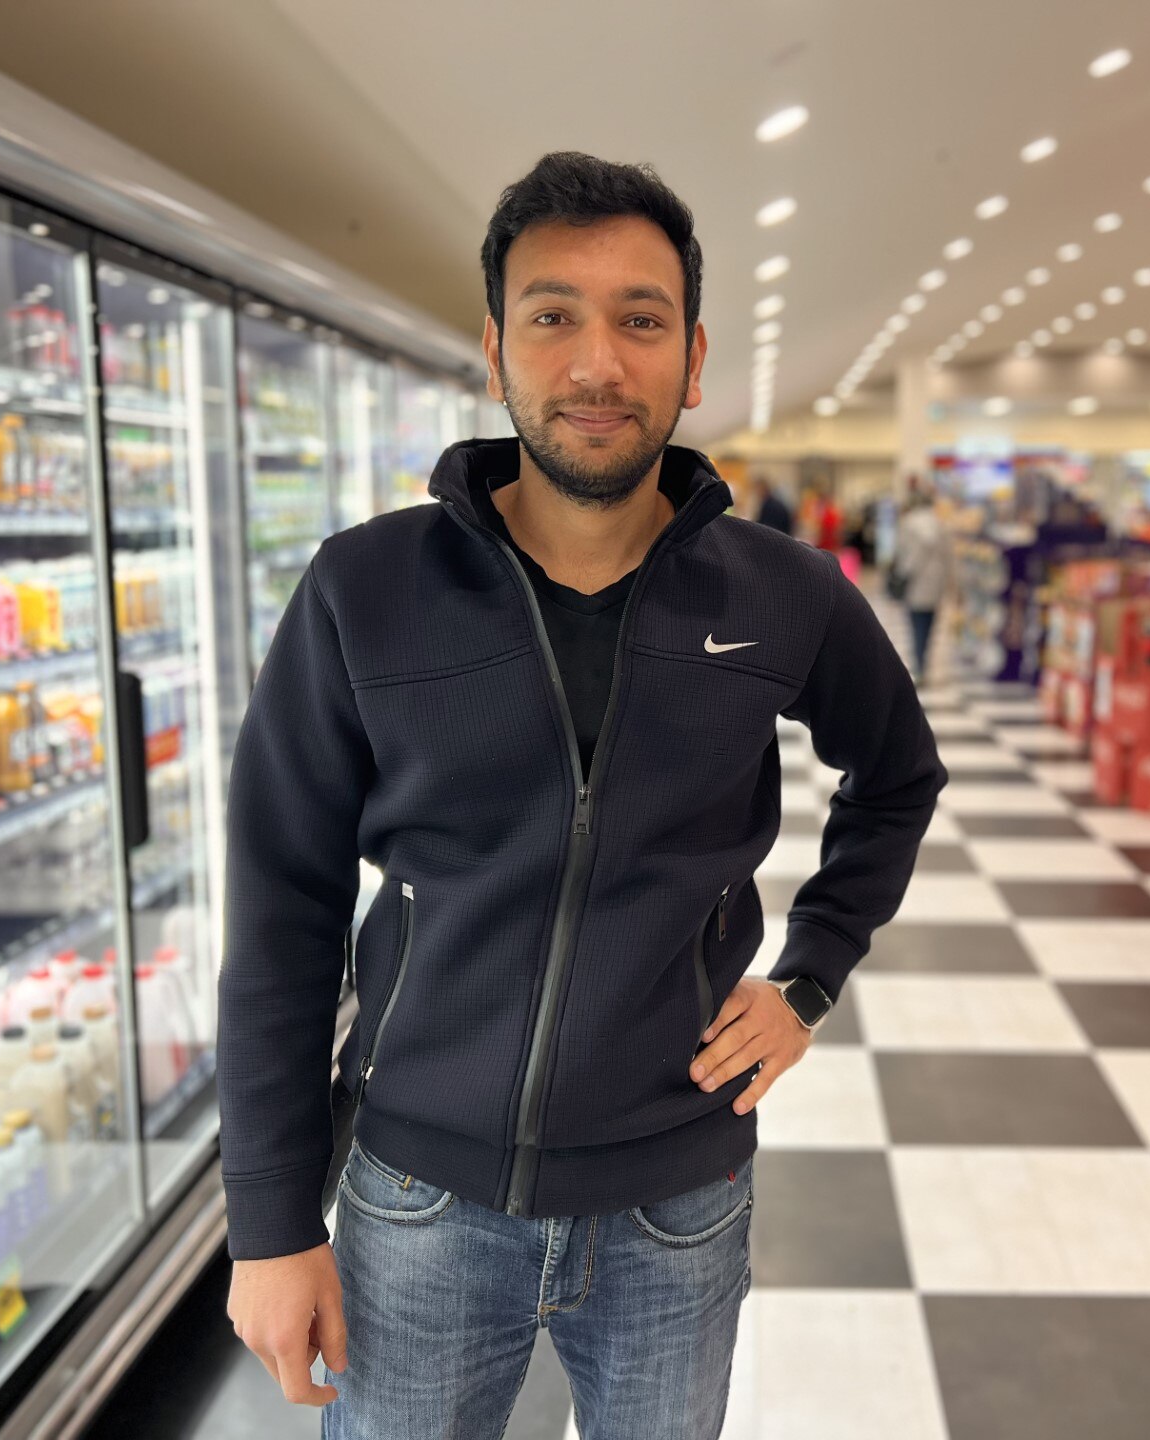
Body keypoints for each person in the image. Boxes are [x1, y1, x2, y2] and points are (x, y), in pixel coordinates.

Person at [218, 152, 946, 1440]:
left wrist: (810, 978)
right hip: (417, 1199)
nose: (597, 362)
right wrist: (271, 1223)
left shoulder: (783, 595)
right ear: (496, 347)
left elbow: (897, 775)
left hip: (680, 1200)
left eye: (640, 319)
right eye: (554, 316)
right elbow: (280, 908)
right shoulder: (363, 590)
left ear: (695, 356)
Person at [892, 479, 953, 684]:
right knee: (929, 624)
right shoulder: (940, 524)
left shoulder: (908, 523)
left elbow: (902, 553)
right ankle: (923, 662)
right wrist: (952, 582)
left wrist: (902, 574)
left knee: (915, 623)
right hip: (936, 581)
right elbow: (948, 557)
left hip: (915, 582)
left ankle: (919, 666)